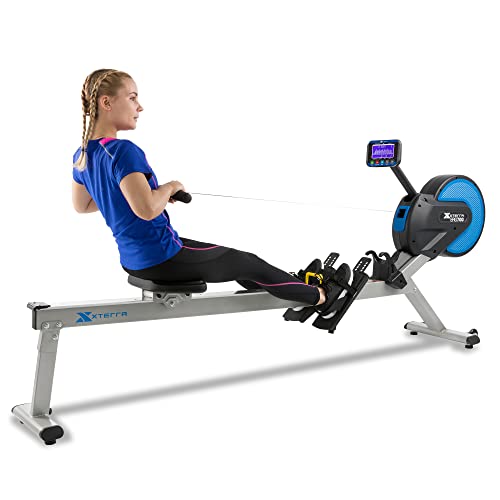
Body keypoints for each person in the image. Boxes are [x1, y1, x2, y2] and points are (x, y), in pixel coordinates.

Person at [72, 68, 340, 313]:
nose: (139, 106)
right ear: (106, 103)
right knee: (248, 263)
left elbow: (83, 205)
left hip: (134, 259)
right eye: (132, 98)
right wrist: (169, 187)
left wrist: (140, 194)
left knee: (238, 263)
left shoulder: (83, 155)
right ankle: (321, 298)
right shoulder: (122, 150)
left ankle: (293, 287)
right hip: (161, 257)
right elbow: (147, 209)